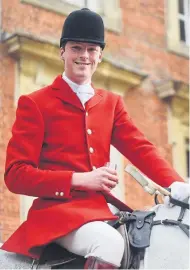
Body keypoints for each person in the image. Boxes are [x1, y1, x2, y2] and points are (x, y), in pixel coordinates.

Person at [1, 8, 189, 269]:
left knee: (148, 237)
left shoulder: (111, 104)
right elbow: (15, 175)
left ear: (100, 55)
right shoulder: (35, 103)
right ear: (62, 52)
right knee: (109, 243)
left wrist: (178, 186)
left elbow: (141, 148)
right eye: (76, 48)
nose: (84, 56)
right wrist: (81, 180)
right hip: (57, 214)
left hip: (101, 210)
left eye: (91, 49)